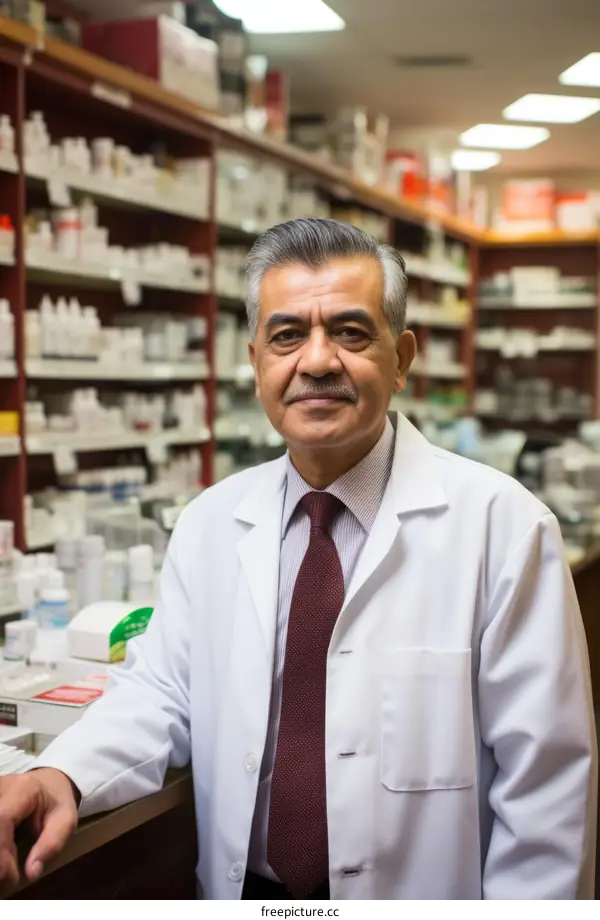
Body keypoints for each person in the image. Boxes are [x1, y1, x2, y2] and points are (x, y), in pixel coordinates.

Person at [0, 218, 597, 900]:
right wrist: (61, 774)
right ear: (255, 362)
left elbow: (546, 789)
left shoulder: (504, 527)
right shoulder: (210, 524)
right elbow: (159, 692)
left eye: (350, 332)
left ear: (401, 358)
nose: (316, 361)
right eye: (287, 336)